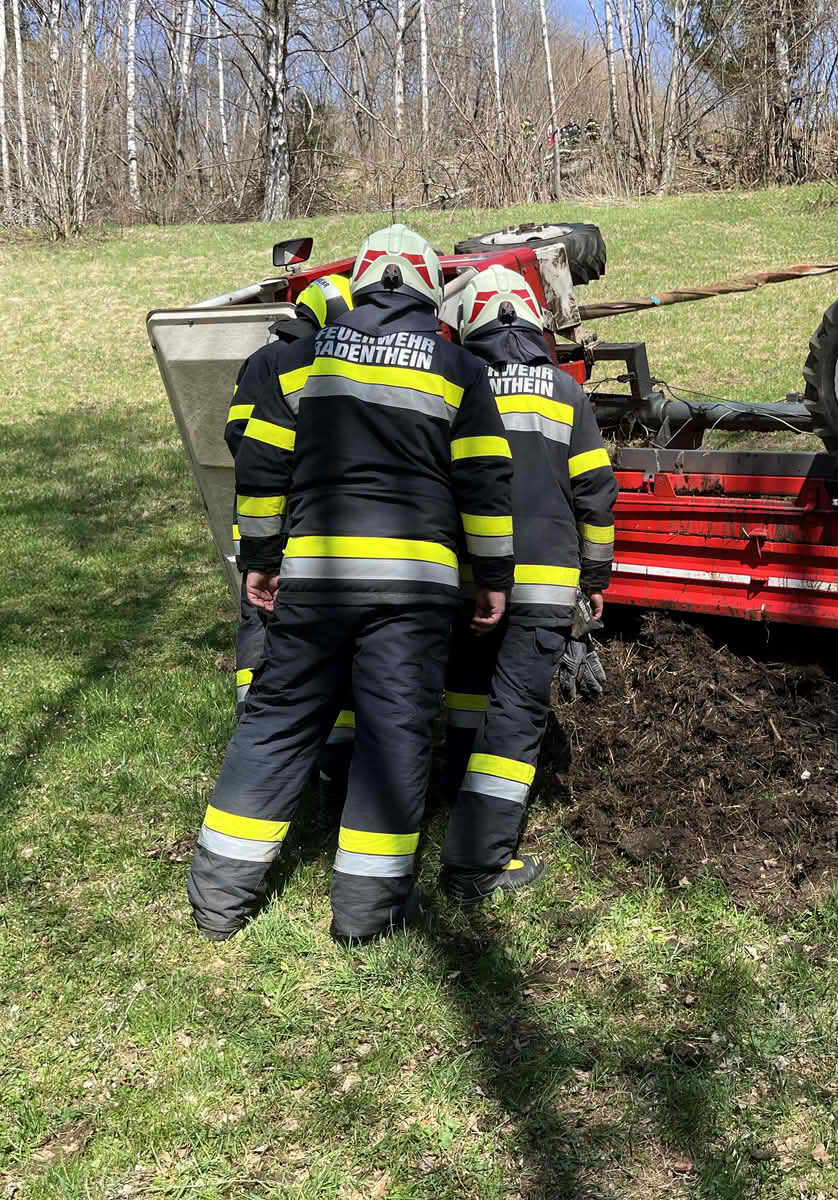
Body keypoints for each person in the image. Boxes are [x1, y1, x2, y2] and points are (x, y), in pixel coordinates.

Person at [187, 224, 515, 943]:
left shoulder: (293, 361)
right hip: (413, 589)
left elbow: (261, 470)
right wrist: (491, 578)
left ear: (358, 285)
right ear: (430, 294)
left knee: (275, 725)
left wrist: (263, 562)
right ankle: (366, 917)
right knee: (393, 740)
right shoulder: (458, 372)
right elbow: (486, 485)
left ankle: (218, 902)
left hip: (316, 576)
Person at [437, 265, 618, 905]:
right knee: (515, 719)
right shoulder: (566, 395)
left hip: (470, 580)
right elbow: (595, 493)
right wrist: (595, 577)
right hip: (543, 587)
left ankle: (457, 813)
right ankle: (478, 864)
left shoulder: (458, 383)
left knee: (464, 696)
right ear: (535, 324)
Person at [225, 274, 357, 805]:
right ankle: (325, 772)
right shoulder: (284, 362)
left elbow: (237, 438)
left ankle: (258, 743)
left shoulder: (261, 361)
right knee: (286, 639)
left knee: (265, 640)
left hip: (262, 526)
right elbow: (244, 439)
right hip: (291, 528)